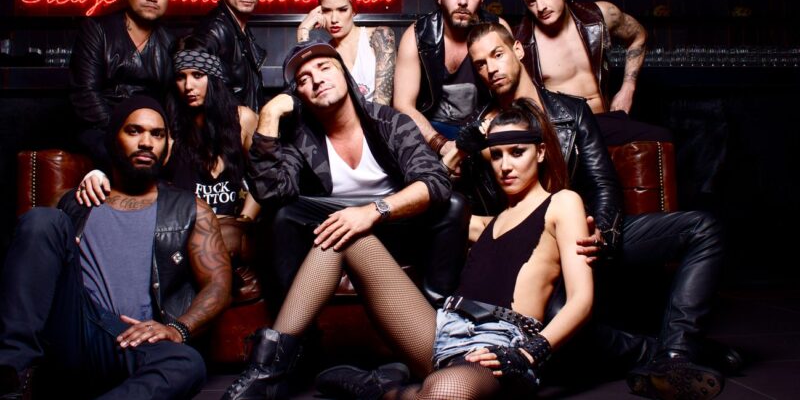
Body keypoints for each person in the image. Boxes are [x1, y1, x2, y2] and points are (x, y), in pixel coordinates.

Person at [222, 99, 593, 400]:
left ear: (540, 153)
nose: (505, 166)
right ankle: (265, 371)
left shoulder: (563, 203)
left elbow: (581, 300)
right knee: (344, 231)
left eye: (517, 152)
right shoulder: (486, 222)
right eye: (496, 156)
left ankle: (381, 391)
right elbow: (436, 193)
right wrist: (462, 149)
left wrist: (530, 352)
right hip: (441, 331)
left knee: (444, 391)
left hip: (500, 346)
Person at [450, 22, 726, 399]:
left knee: (702, 228)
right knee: (555, 318)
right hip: (537, 253)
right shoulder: (481, 134)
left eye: (497, 55)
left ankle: (677, 354)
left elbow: (604, 185)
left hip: (588, 235)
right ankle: (662, 354)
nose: (491, 68)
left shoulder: (571, 111)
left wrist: (603, 233)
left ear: (517, 50)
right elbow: (473, 207)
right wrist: (466, 150)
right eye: (480, 64)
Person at [0, 96, 232, 399]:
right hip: (74, 328)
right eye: (134, 131)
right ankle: (11, 375)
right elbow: (31, 262)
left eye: (157, 134)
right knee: (42, 219)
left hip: (132, 342)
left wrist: (179, 329)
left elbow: (218, 284)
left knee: (187, 364)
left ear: (167, 147)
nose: (146, 142)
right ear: (113, 140)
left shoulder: (190, 209)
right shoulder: (74, 201)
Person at [245, 37, 468, 310]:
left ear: (345, 75)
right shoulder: (299, 137)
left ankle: (440, 309)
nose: (317, 79)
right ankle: (294, 322)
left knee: (454, 205)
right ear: (297, 95)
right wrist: (269, 114)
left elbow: (435, 182)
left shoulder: (389, 122)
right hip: (331, 229)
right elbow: (271, 194)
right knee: (281, 214)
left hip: (394, 223)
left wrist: (372, 211)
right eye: (304, 79)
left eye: (325, 67)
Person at [77, 47, 261, 225]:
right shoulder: (168, 128)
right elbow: (134, 168)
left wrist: (244, 221)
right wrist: (99, 173)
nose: (188, 86)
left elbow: (263, 177)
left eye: (197, 75)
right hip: (186, 229)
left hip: (237, 228)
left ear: (213, 79)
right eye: (181, 77)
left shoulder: (242, 119)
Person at [513, 0, 671, 145]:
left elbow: (638, 36)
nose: (541, 7)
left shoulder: (599, 16)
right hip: (564, 131)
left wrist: (628, 87)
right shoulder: (521, 42)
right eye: (531, 2)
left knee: (663, 138)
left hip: (606, 121)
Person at [393, 0, 513, 158]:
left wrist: (484, 130)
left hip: (484, 129)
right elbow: (403, 104)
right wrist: (441, 144)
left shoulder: (498, 30)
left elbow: (513, 93)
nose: (463, 1)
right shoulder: (417, 35)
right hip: (430, 132)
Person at [69, 0, 175, 166]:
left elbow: (173, 102)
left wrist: (167, 135)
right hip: (101, 128)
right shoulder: (98, 30)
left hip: (151, 130)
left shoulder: (171, 42)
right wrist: (124, 132)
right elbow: (85, 93)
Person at [297, 0, 396, 105]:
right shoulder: (324, 53)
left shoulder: (380, 36)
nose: (334, 19)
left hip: (379, 117)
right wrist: (303, 30)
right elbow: (307, 92)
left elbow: (383, 102)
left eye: (342, 10)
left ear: (353, 10)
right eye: (326, 11)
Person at [185, 0, 267, 112]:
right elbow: (201, 99)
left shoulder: (242, 30)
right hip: (229, 126)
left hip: (244, 125)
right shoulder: (211, 31)